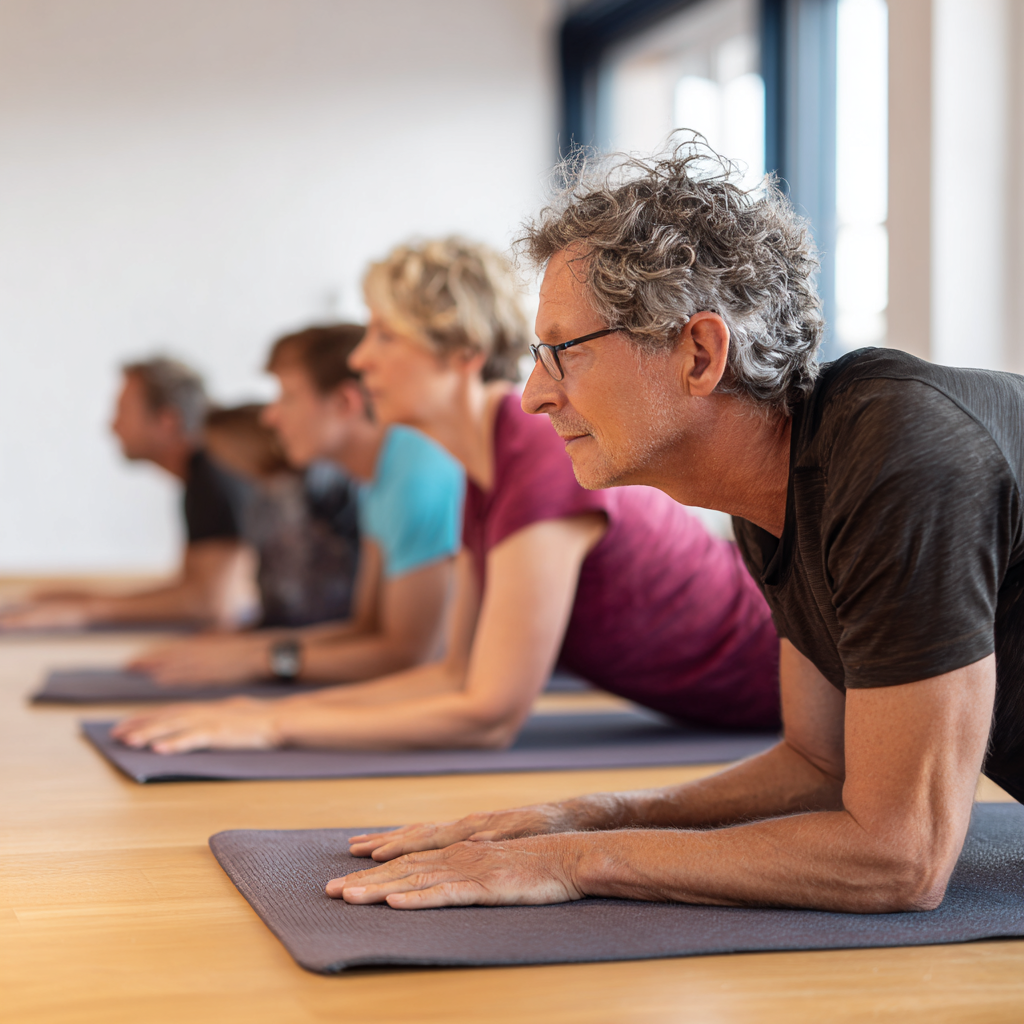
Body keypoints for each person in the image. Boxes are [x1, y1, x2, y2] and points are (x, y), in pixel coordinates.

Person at [315, 145, 1020, 917]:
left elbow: (898, 857)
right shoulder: (780, 490)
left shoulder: (901, 451)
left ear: (699, 353)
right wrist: (588, 814)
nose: (531, 396)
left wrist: (578, 859)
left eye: (562, 354)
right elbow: (821, 764)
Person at [112, 237, 780, 754]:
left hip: (788, 680)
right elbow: (452, 673)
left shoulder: (536, 448)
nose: (362, 360)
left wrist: (275, 726)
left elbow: (487, 715)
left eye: (385, 337)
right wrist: (257, 713)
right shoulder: (481, 465)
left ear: (460, 352)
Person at [128, 324, 464, 687]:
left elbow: (407, 655)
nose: (270, 417)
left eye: (287, 396)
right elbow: (366, 629)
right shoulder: (382, 479)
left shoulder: (416, 476)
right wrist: (242, 651)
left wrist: (265, 662)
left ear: (345, 403)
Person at [0, 358, 256, 629]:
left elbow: (209, 603)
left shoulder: (214, 475)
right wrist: (84, 600)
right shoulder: (202, 475)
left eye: (123, 410)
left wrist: (85, 610)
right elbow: (193, 591)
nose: (112, 426)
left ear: (167, 421)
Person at [203, 403, 361, 627]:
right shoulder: (272, 492)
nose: (219, 461)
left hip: (306, 628)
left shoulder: (286, 495)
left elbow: (297, 596)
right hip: (294, 624)